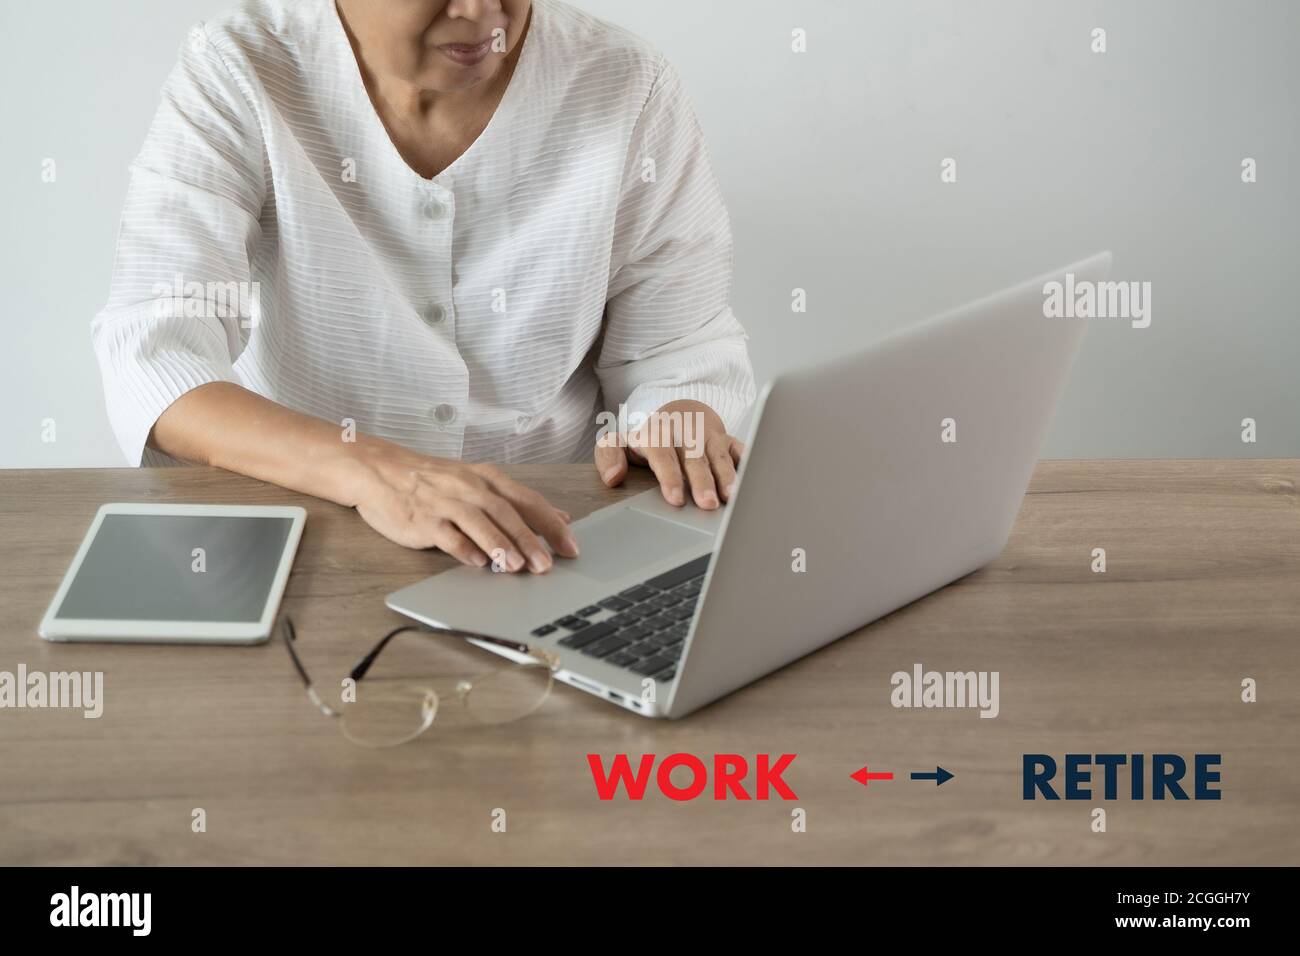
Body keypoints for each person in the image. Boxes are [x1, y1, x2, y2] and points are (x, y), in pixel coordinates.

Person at [92, 0, 755, 575]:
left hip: (554, 540)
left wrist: (677, 411)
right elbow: (157, 352)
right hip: (306, 528)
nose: (481, 12)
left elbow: (680, 347)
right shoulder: (237, 68)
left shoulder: (627, 83)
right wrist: (372, 471)